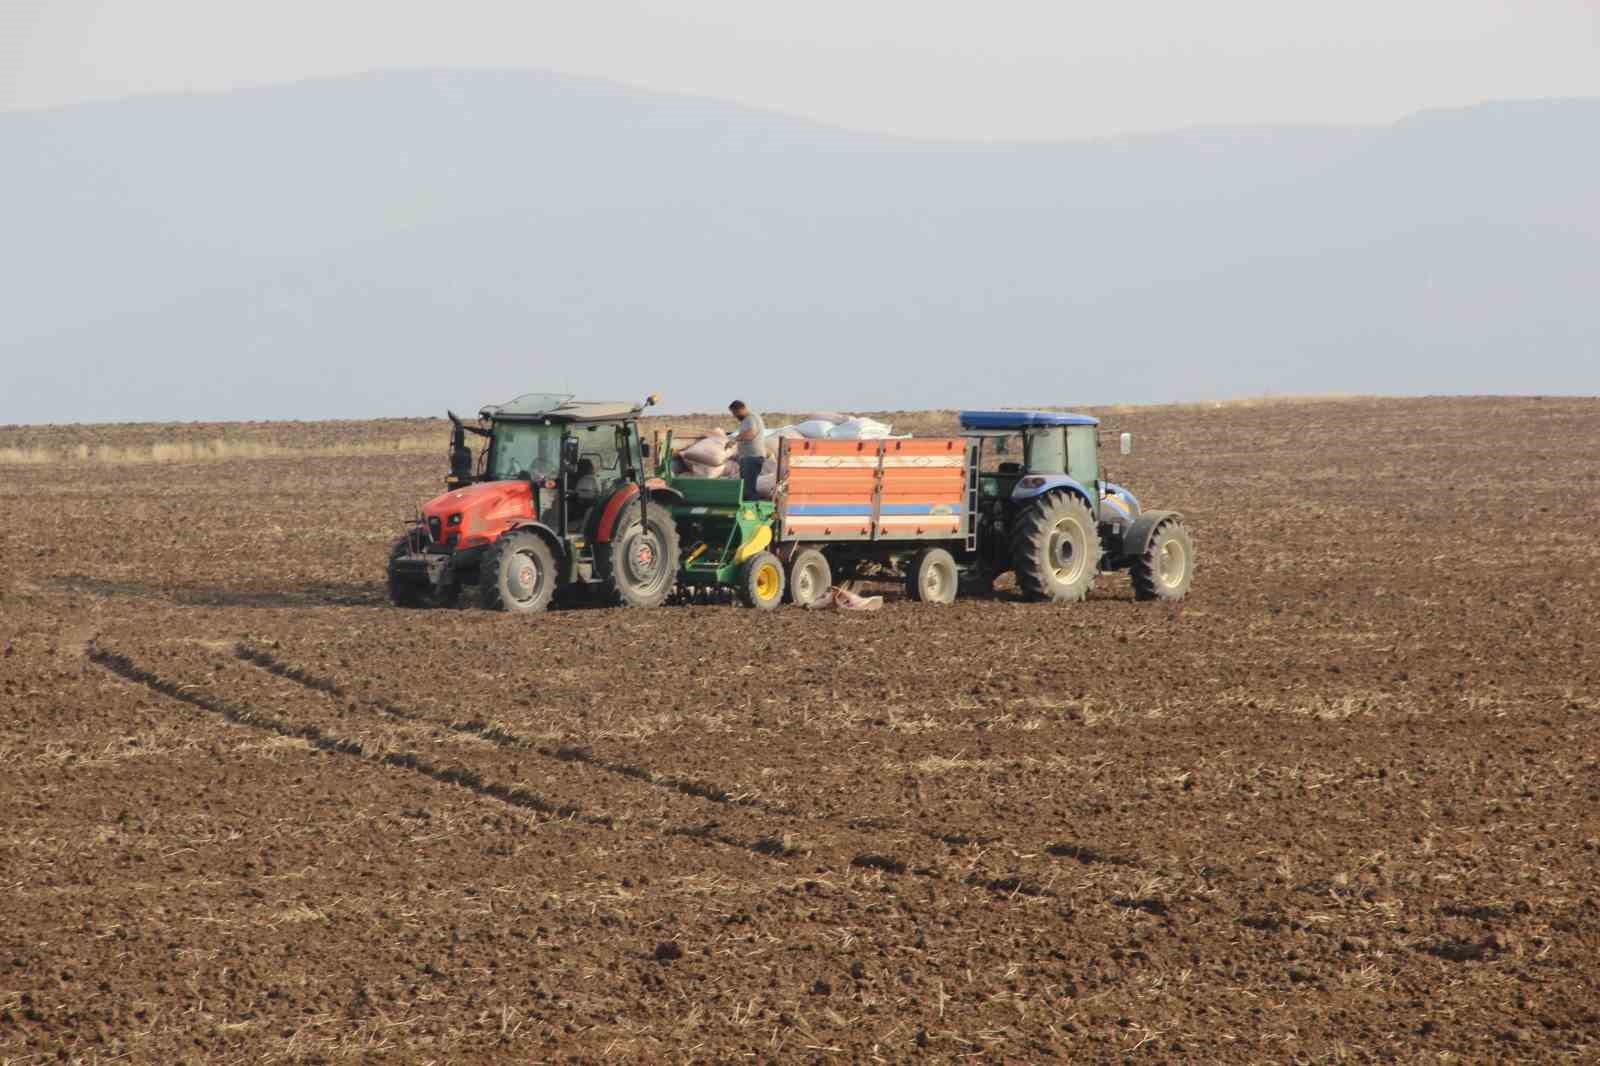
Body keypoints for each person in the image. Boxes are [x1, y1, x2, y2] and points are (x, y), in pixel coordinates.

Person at [729, 400, 765, 500]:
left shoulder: (751, 418)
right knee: (746, 486)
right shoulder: (747, 420)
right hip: (748, 457)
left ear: (741, 409)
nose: (735, 416)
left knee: (749, 487)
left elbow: (751, 434)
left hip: (752, 457)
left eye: (735, 413)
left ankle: (753, 511)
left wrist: (735, 439)